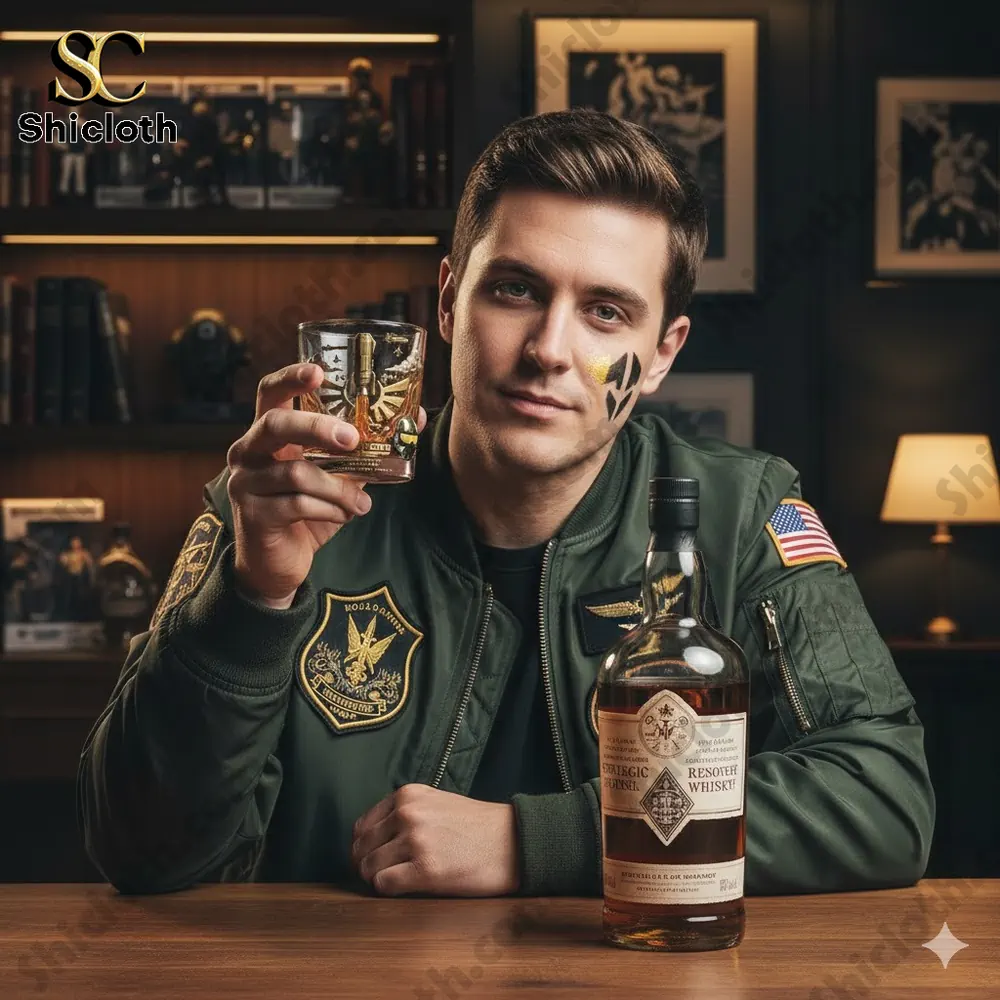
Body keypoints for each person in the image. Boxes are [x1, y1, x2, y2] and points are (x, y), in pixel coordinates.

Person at [78, 108, 934, 898]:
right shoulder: (283, 497)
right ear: (449, 299)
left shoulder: (741, 512)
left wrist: (537, 841)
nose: (549, 351)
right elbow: (146, 855)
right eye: (517, 290)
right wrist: (251, 600)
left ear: (663, 351)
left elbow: (884, 797)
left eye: (605, 312)